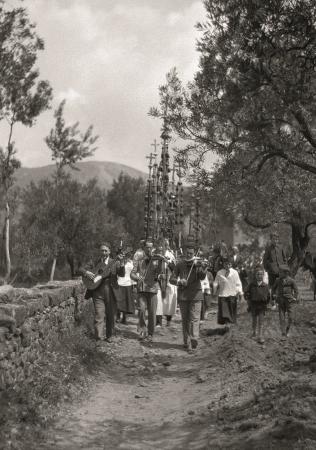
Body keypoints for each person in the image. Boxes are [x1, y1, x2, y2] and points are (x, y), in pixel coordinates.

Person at [79, 243, 122, 344]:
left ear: (109, 252)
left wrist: (122, 262)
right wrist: (86, 272)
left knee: (111, 315)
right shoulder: (94, 262)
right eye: (102, 250)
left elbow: (122, 273)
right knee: (99, 315)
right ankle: (98, 338)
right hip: (97, 291)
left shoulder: (114, 262)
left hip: (111, 292)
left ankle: (109, 336)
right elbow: (80, 269)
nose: (103, 253)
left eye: (105, 251)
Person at [170, 242, 208, 352]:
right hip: (183, 296)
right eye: (187, 253)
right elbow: (171, 279)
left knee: (194, 319)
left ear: (194, 253)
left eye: (191, 253)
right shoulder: (179, 264)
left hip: (196, 295)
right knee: (185, 319)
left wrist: (203, 268)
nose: (189, 255)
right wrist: (179, 281)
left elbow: (201, 276)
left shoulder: (198, 263)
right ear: (184, 252)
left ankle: (193, 340)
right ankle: (186, 340)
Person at [130, 239, 164, 343]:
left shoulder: (156, 259)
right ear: (144, 248)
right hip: (142, 289)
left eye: (151, 247)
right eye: (147, 247)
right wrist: (137, 278)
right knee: (141, 310)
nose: (149, 249)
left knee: (152, 313)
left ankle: (150, 333)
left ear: (153, 248)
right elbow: (132, 273)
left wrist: (161, 262)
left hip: (153, 289)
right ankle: (142, 330)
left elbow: (159, 272)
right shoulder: (139, 259)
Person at [213, 257, 244, 329]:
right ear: (223, 264)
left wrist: (241, 294)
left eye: (229, 264)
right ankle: (227, 324)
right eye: (226, 264)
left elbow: (238, 284)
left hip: (232, 294)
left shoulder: (235, 272)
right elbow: (216, 282)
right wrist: (214, 291)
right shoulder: (220, 272)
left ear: (231, 264)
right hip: (223, 294)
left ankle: (231, 325)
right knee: (224, 310)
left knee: (231, 309)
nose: (227, 265)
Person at [244, 265, 270, 344]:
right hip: (254, 305)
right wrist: (248, 299)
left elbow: (268, 296)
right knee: (254, 320)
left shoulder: (265, 285)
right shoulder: (252, 284)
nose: (259, 276)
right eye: (258, 274)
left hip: (262, 305)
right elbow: (246, 293)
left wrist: (267, 303)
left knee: (261, 321)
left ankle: (260, 335)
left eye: (261, 274)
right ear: (255, 275)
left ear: (263, 275)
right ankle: (254, 332)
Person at [156, 239, 177, 327]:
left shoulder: (171, 256)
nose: (161, 248)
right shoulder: (156, 256)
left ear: (166, 246)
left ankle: (168, 320)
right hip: (158, 281)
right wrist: (159, 276)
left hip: (169, 281)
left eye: (163, 245)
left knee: (169, 301)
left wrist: (167, 262)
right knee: (158, 301)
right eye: (160, 246)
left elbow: (175, 269)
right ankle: (158, 322)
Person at [263, 232, 288, 307]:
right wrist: (267, 268)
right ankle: (273, 302)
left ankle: (280, 301)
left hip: (281, 271)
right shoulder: (268, 248)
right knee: (273, 286)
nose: (275, 241)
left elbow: (284, 258)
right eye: (274, 239)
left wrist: (285, 268)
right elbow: (265, 260)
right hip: (272, 271)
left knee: (281, 286)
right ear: (271, 240)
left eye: (277, 239)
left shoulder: (281, 247)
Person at [273, 264, 298, 338]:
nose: (279, 273)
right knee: (281, 317)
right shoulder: (278, 280)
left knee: (291, 317)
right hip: (280, 300)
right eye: (279, 272)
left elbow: (296, 291)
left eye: (281, 272)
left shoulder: (291, 281)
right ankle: (283, 333)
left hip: (289, 301)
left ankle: (287, 329)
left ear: (286, 273)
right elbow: (273, 289)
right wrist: (273, 296)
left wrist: (294, 298)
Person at [116, 247, 135, 324]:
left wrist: (134, 284)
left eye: (129, 254)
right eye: (126, 254)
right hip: (120, 282)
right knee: (119, 301)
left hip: (128, 283)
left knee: (126, 302)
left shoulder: (131, 262)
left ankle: (124, 318)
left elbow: (133, 273)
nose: (128, 255)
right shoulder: (119, 262)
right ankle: (117, 316)